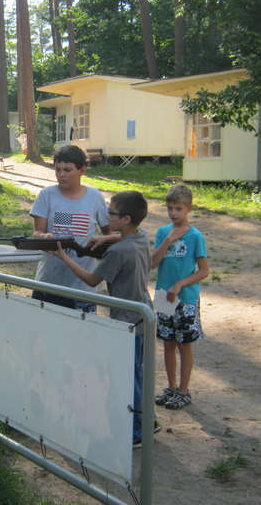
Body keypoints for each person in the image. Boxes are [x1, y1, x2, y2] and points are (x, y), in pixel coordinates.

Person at [53, 191, 155, 447]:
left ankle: (137, 431)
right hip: (143, 315)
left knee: (127, 377)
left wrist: (64, 257)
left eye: (112, 213)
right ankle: (148, 420)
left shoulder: (118, 252)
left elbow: (91, 280)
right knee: (136, 373)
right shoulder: (140, 237)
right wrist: (105, 237)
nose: (107, 217)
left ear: (126, 219)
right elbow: (121, 238)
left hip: (126, 322)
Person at [30, 144, 113, 309]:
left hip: (83, 287)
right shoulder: (46, 195)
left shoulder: (95, 198)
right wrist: (44, 238)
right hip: (49, 281)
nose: (61, 174)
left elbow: (109, 235)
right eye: (58, 169)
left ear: (82, 170)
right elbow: (37, 232)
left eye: (67, 170)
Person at [152, 184, 210, 410]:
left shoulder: (195, 236)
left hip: (186, 299)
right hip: (162, 296)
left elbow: (204, 271)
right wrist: (168, 240)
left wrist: (180, 284)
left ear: (189, 209)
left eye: (178, 208)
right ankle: (171, 387)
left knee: (184, 345)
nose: (173, 213)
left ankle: (184, 390)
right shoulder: (162, 232)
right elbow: (153, 263)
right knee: (168, 343)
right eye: (170, 208)